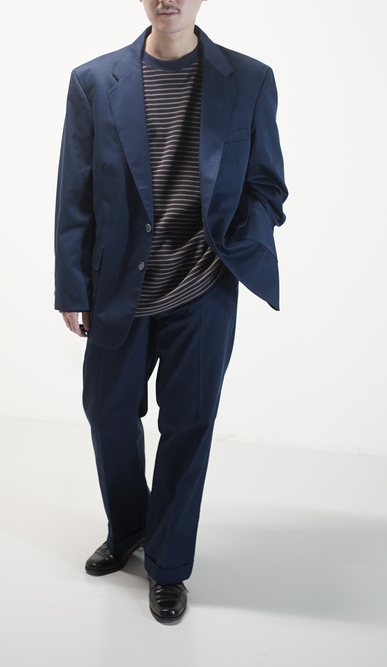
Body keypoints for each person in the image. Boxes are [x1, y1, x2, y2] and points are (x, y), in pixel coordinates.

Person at [54, 0, 287, 624]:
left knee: (189, 425)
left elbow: (268, 184)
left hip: (203, 288)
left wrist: (238, 237)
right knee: (107, 413)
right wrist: (72, 286)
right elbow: (75, 191)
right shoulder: (93, 81)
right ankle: (129, 526)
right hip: (117, 289)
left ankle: (168, 564)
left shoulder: (251, 79)